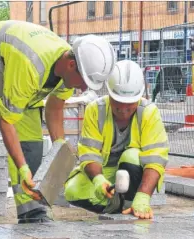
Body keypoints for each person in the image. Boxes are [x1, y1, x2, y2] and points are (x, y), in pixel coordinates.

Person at [0, 20, 116, 225]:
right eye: (84, 81)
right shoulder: (31, 66)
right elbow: (7, 122)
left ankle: (31, 208)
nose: (83, 89)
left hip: (11, 67)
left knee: (32, 142)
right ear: (71, 65)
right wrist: (22, 168)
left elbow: (55, 108)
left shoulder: (68, 67)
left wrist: (59, 152)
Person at [64, 60, 169, 219]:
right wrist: (99, 180)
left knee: (132, 156)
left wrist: (143, 196)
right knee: (73, 191)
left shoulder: (149, 113)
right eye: (118, 104)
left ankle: (130, 205)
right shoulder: (95, 110)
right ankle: (114, 206)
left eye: (129, 105)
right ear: (109, 94)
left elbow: (155, 159)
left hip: (133, 170)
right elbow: (89, 154)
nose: (123, 111)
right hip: (105, 170)